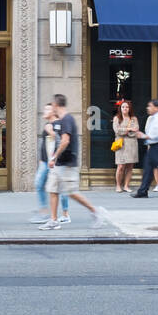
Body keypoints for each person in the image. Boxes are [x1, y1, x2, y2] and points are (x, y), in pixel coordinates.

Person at [39, 94, 106, 230]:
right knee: (53, 190)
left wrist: (54, 157)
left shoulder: (67, 120)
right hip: (60, 163)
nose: (51, 108)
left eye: (52, 106)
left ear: (56, 105)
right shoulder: (62, 120)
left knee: (71, 192)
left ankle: (96, 211)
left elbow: (65, 141)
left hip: (67, 164)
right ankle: (53, 220)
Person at [30, 103, 71, 224]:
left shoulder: (58, 124)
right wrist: (41, 160)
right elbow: (45, 145)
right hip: (45, 162)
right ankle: (44, 212)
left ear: (53, 111)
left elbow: (61, 142)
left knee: (60, 188)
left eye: (47, 109)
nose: (44, 111)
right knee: (39, 184)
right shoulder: (48, 124)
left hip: (55, 162)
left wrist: (52, 132)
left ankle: (65, 213)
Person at [112, 100, 139, 192]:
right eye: (123, 107)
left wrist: (125, 131)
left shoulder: (134, 119)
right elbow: (117, 131)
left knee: (130, 166)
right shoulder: (117, 118)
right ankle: (118, 185)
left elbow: (135, 131)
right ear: (120, 108)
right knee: (120, 166)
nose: (125, 108)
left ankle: (126, 186)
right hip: (121, 145)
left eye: (127, 107)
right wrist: (128, 129)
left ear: (129, 108)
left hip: (132, 145)